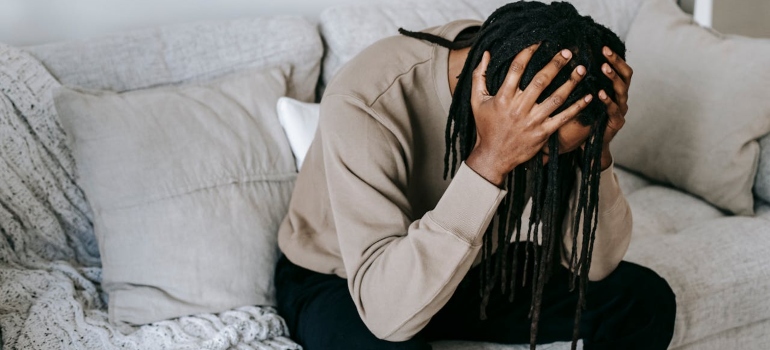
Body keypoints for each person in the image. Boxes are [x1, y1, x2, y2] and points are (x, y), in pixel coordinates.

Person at [274, 2, 676, 349]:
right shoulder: (367, 97)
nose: (547, 167)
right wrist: (490, 159)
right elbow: (386, 316)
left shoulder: (543, 80)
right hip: (348, 279)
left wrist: (595, 153)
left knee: (644, 301)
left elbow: (595, 265)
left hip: (474, 267)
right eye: (543, 153)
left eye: (562, 154)